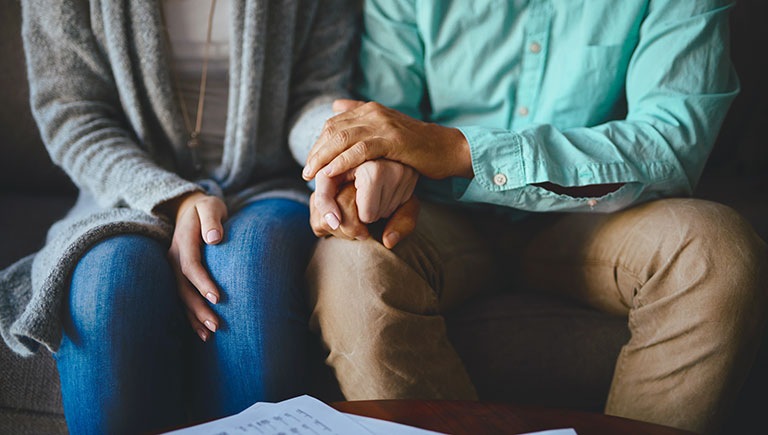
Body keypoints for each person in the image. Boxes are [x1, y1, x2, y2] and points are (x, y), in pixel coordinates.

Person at [298, 1, 768, 433]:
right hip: (441, 216)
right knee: (351, 264)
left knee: (716, 252)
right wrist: (373, 178)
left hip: (597, 218)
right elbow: (383, 120)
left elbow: (671, 145)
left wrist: (461, 150)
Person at [0, 0, 355, 433]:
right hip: (125, 190)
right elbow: (72, 114)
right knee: (109, 284)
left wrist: (338, 143)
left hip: (268, 181)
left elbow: (317, 93)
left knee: (249, 273)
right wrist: (174, 198)